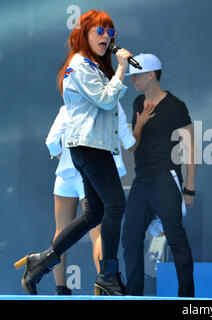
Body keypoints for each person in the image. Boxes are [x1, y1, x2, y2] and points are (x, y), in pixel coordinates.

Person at [14, 9, 142, 295]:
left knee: (94, 212)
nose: (106, 36)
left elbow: (107, 101)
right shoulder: (80, 63)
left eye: (110, 32)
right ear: (84, 33)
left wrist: (114, 71)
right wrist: (121, 69)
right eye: (99, 30)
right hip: (88, 147)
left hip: (94, 147)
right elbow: (107, 101)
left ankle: (41, 261)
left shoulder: (94, 66)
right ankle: (108, 274)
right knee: (115, 204)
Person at [121, 53, 197, 297]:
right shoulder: (137, 103)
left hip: (166, 177)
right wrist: (140, 121)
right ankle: (134, 294)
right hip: (141, 180)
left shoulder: (176, 106)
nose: (132, 81)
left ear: (151, 74)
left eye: (136, 76)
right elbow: (133, 142)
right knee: (130, 239)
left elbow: (191, 148)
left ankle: (187, 297)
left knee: (176, 238)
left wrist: (189, 189)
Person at [45, 102, 136, 295]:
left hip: (67, 172)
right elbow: (129, 142)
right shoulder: (110, 102)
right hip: (92, 170)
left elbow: (51, 141)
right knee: (97, 231)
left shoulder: (68, 106)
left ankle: (60, 288)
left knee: (61, 230)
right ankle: (104, 285)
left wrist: (63, 158)